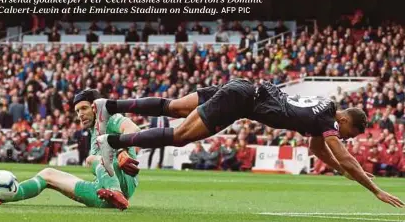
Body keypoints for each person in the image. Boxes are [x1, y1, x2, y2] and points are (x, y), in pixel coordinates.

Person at [94, 78, 404, 208]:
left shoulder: (322, 107)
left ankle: (111, 105)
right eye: (349, 134)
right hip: (240, 101)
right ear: (347, 120)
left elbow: (317, 149)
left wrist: (343, 171)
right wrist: (373, 188)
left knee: (173, 107)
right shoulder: (328, 122)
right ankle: (113, 140)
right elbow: (343, 155)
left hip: (243, 87)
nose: (346, 138)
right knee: (178, 137)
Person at [0, 89, 140, 210]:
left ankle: (116, 193)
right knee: (47, 174)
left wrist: (122, 150)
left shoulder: (111, 118)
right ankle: (6, 195)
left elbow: (133, 129)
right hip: (102, 194)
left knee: (91, 159)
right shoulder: (92, 131)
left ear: (96, 107)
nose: (80, 114)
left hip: (123, 182)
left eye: (84, 108)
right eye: (77, 110)